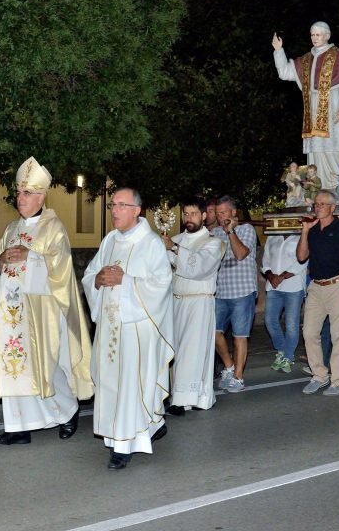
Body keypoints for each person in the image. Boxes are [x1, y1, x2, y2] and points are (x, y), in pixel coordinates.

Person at [0, 158, 93, 446]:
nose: (20, 199)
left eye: (27, 193)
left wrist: (30, 257)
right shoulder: (10, 229)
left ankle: (68, 411)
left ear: (42, 196)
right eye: (19, 193)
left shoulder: (53, 227)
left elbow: (61, 268)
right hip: (11, 312)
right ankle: (18, 427)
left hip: (42, 310)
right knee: (13, 364)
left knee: (48, 366)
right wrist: (1, 260)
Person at [82, 188, 174, 470]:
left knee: (131, 385)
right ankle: (148, 425)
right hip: (110, 327)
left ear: (137, 210)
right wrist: (97, 279)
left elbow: (161, 284)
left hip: (137, 329)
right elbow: (89, 275)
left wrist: (127, 280)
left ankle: (124, 444)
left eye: (122, 205)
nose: (115, 210)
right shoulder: (109, 240)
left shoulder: (151, 244)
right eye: (113, 205)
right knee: (111, 382)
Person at [272, 22, 339, 187]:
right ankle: (319, 186)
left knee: (334, 149)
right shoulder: (305, 60)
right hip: (313, 112)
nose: (314, 38)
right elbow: (284, 72)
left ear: (327, 35)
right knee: (316, 151)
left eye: (318, 34)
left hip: (333, 109)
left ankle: (338, 187)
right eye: (312, 35)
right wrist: (278, 51)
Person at [161, 198, 225, 415]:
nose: (189, 218)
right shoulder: (175, 239)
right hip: (175, 301)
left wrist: (174, 249)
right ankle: (180, 395)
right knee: (177, 350)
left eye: (193, 214)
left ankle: (182, 400)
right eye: (186, 214)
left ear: (204, 216)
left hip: (199, 301)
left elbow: (201, 267)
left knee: (192, 350)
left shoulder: (213, 242)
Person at [297, 190, 339, 396]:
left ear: (333, 207)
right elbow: (301, 257)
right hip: (316, 287)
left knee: (338, 334)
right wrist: (305, 231)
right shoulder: (313, 229)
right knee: (309, 332)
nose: (318, 207)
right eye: (316, 204)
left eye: (323, 204)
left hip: (338, 284)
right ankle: (320, 375)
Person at [212, 196, 258, 393]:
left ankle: (238, 377)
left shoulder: (246, 229)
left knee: (240, 336)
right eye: (218, 213)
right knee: (212, 332)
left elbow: (240, 254)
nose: (220, 216)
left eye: (223, 212)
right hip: (220, 291)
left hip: (242, 291)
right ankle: (229, 366)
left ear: (233, 212)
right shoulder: (214, 233)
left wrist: (231, 231)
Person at [262, 234, 307, 373]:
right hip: (274, 286)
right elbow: (266, 261)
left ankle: (288, 356)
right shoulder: (272, 237)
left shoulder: (301, 236)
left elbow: (303, 261)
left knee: (291, 325)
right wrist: (271, 276)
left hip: (293, 287)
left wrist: (282, 276)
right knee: (269, 320)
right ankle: (282, 351)